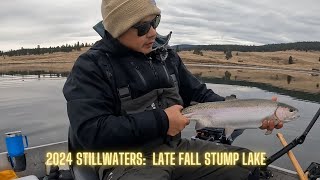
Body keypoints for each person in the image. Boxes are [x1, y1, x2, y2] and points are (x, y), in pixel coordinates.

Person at [63, 0, 283, 179]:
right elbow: (91, 132)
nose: (152, 32)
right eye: (142, 27)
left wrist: (249, 112)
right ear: (117, 28)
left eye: (155, 21)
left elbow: (200, 95)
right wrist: (163, 121)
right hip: (125, 162)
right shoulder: (91, 67)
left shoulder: (167, 58)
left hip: (175, 149)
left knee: (248, 167)